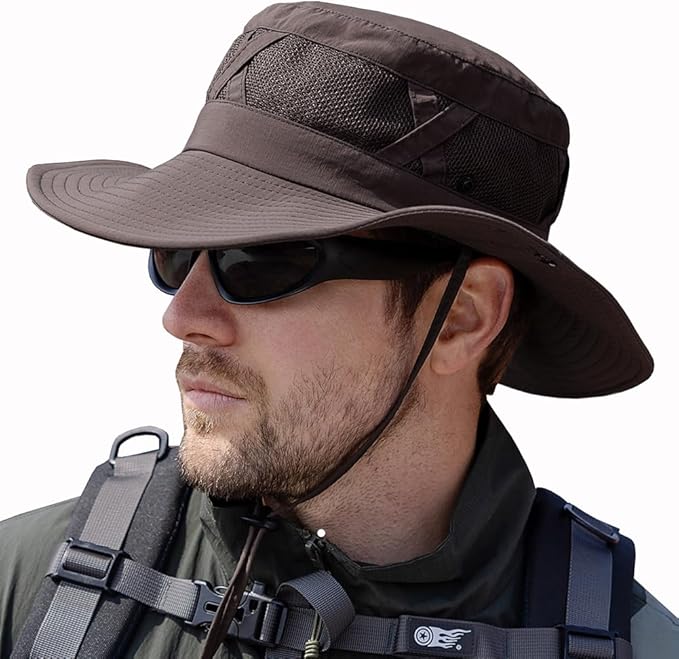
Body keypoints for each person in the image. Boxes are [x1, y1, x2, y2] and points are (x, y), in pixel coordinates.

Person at [1, 2, 677, 658]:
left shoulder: (638, 645)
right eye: (177, 256)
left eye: (257, 259)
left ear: (462, 317)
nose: (182, 316)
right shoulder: (31, 586)